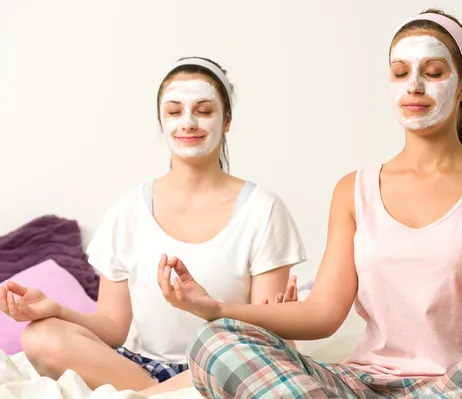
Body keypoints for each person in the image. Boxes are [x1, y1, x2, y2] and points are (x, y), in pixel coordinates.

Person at [156, 10, 462, 399]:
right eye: (400, 73)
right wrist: (216, 309)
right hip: (358, 385)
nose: (414, 86)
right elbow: (325, 312)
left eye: (433, 72)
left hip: (460, 383)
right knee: (214, 342)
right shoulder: (354, 188)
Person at [0, 56, 306, 394]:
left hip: (227, 363)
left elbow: (262, 331)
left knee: (256, 353)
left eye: (203, 111)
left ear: (227, 120)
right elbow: (113, 329)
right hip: (144, 368)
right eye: (175, 111)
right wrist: (54, 309)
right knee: (40, 335)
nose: (188, 122)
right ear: (161, 121)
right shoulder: (129, 208)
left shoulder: (263, 209)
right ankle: (160, 393)